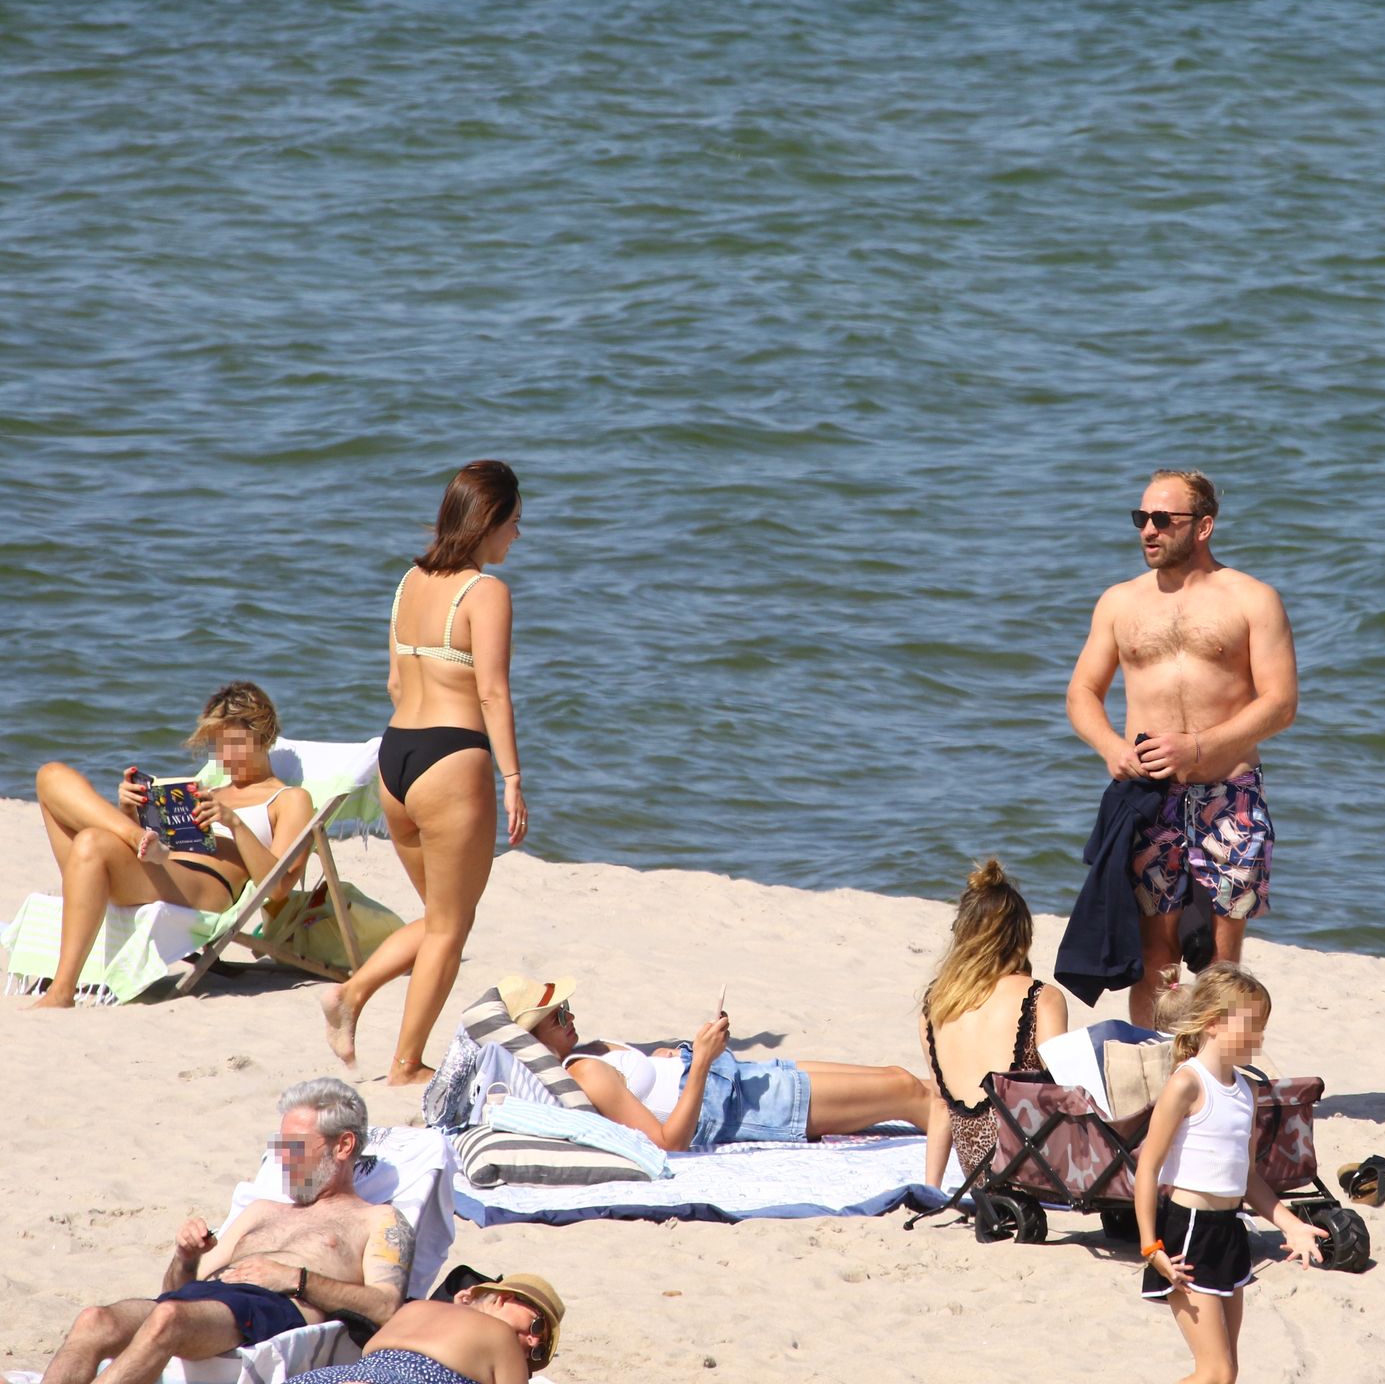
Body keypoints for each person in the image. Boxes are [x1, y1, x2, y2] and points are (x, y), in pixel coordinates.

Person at [1066, 469, 1298, 1027]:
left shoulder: (1252, 599)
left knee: (1220, 963)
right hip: (1148, 798)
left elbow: (1281, 703)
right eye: (1141, 518)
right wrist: (1110, 747)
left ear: (1203, 526)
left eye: (1162, 519)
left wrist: (1199, 745)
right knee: (1156, 960)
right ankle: (1155, 1081)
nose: (1148, 529)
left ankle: (1213, 1084)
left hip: (1229, 796)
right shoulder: (1119, 603)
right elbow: (1082, 693)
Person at [321, 460, 526, 1086]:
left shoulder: (409, 582)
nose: (517, 537)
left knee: (441, 919)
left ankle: (350, 995)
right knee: (449, 928)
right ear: (489, 522)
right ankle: (406, 1063)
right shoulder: (483, 592)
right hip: (451, 758)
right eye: (515, 524)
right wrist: (513, 777)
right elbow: (492, 692)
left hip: (397, 755)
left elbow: (391, 681)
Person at [38, 1078, 413, 1384]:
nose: (282, 1159)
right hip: (204, 1303)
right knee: (95, 1320)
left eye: (294, 1147)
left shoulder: (377, 1219)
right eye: (279, 1147)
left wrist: (295, 1279)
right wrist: (186, 1257)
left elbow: (385, 1306)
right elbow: (175, 1291)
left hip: (270, 1310)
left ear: (344, 1145)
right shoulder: (263, 1210)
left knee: (168, 1319)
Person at [31, 682, 314, 1008]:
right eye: (217, 747)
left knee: (92, 840)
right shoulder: (207, 791)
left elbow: (278, 889)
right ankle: (131, 832)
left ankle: (62, 992)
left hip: (202, 886)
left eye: (234, 744)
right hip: (155, 865)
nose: (225, 757)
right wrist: (130, 810)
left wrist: (234, 823)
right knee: (50, 775)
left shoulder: (289, 799)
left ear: (263, 736)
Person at [1133, 964, 1324, 1384]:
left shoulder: (1246, 1090)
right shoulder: (1187, 1083)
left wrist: (1291, 1224)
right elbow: (1147, 1167)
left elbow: (1248, 1177)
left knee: (1227, 1374)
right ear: (1215, 1023)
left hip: (1230, 1232)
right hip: (1187, 1236)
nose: (1259, 1038)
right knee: (1214, 1374)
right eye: (1252, 1025)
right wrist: (1151, 1246)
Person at [502, 974, 936, 1148]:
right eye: (558, 1015)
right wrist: (703, 1062)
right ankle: (989, 1151)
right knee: (906, 1092)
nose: (570, 1015)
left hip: (735, 1077)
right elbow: (668, 1140)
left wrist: (671, 1056)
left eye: (567, 1006)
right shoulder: (584, 1074)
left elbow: (647, 1080)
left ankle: (993, 1123)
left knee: (900, 1078)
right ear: (535, 1037)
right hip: (741, 1107)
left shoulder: (585, 1052)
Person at [918, 858, 1071, 1188]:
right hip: (1031, 1165)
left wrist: (931, 1189)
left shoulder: (936, 1003)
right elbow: (1065, 1092)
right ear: (1021, 935)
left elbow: (940, 1105)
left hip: (976, 1173)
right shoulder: (1041, 998)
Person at [285, 1273, 565, 1384]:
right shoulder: (500, 1335)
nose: (531, 1342)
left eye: (538, 1351)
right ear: (505, 1299)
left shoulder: (414, 1309)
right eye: (537, 1325)